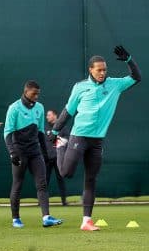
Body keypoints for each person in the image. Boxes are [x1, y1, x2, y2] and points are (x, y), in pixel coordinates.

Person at [51, 45, 141, 231]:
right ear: (90, 70)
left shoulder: (115, 85)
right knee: (66, 173)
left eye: (105, 69)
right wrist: (54, 131)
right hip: (79, 136)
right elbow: (68, 111)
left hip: (97, 140)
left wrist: (129, 60)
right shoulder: (80, 87)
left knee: (91, 179)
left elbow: (136, 77)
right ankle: (61, 146)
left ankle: (86, 221)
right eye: (99, 70)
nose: (102, 72)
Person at [4, 80, 62, 228]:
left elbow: (41, 132)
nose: (36, 96)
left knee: (42, 184)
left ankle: (46, 217)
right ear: (26, 91)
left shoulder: (40, 108)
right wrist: (12, 153)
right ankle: (15, 219)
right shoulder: (14, 108)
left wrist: (46, 153)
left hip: (35, 152)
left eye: (38, 94)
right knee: (18, 184)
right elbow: (8, 133)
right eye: (34, 93)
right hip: (19, 152)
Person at [44, 109, 69, 206]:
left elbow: (68, 139)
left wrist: (59, 140)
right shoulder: (45, 128)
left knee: (61, 179)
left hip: (59, 158)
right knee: (44, 181)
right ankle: (43, 201)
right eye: (47, 115)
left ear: (55, 115)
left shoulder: (62, 127)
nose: (47, 117)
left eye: (49, 115)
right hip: (47, 158)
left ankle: (64, 201)